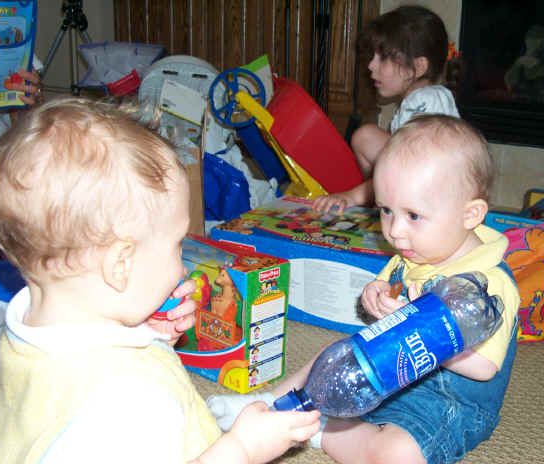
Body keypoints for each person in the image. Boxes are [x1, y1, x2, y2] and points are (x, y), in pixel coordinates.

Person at [0, 97, 320, 464]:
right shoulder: (133, 398)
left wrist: (147, 336)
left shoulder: (26, 329)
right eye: (177, 244)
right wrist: (242, 449)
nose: (184, 267)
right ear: (120, 265)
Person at [207, 114, 521, 464]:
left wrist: (418, 328)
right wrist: (376, 294)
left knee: (399, 455)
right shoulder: (414, 252)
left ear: (470, 215)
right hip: (388, 371)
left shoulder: (490, 285)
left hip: (446, 403)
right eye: (386, 210)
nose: (394, 231)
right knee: (331, 356)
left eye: (413, 216)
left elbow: (484, 369)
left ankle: (323, 430)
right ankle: (267, 407)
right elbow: (386, 286)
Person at [313, 5, 461, 213]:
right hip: (421, 187)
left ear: (418, 67)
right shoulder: (419, 101)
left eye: (382, 58)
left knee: (367, 136)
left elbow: (407, 168)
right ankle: (384, 200)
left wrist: (351, 196)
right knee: (366, 137)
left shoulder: (427, 100)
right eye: (373, 56)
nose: (371, 65)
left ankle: (385, 201)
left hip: (435, 198)